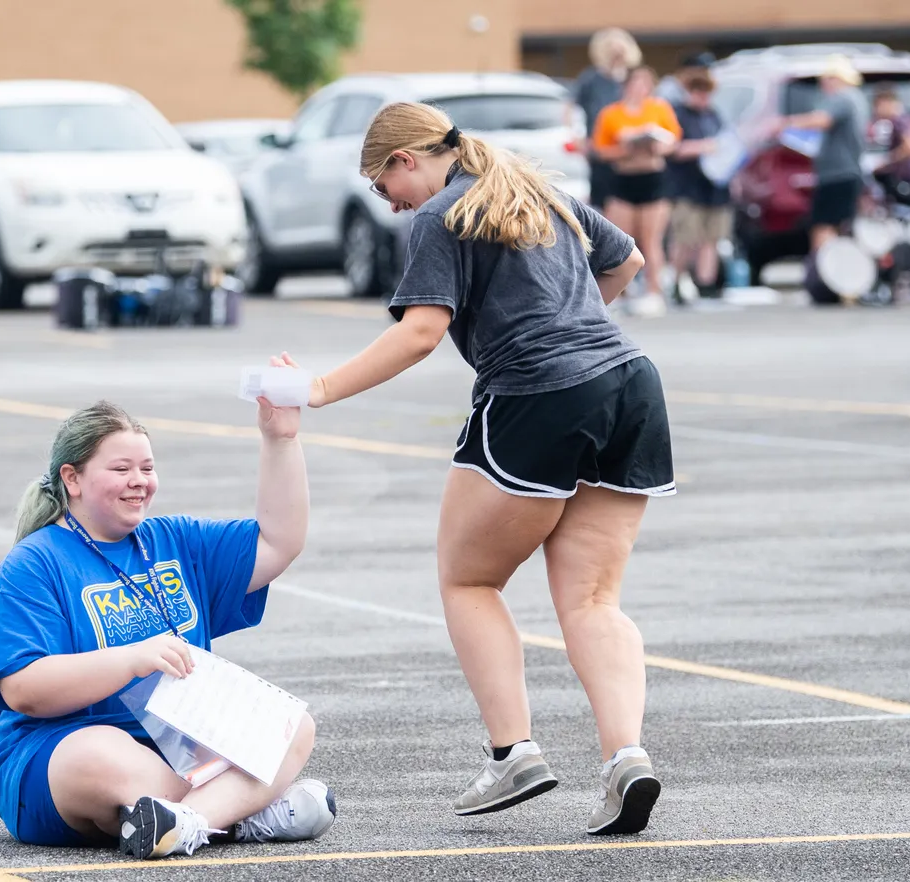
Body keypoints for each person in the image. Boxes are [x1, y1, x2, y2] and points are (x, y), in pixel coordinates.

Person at [310, 101, 674, 836]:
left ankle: (514, 751)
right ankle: (626, 758)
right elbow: (627, 260)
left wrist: (316, 389)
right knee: (593, 599)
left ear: (405, 160)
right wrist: (570, 326)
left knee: (468, 579)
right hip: (631, 383)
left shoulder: (439, 216)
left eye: (385, 188)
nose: (390, 204)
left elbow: (420, 333)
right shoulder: (535, 190)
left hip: (539, 394)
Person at [0, 383, 335, 862]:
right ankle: (239, 815)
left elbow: (279, 542)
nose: (139, 480)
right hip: (57, 757)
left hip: (185, 751)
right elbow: (23, 689)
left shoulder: (175, 540)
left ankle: (186, 821)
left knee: (294, 725)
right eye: (121, 469)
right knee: (100, 750)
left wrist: (282, 440)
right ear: (73, 478)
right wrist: (129, 660)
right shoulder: (33, 564)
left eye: (147, 468)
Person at [592, 66, 683, 315]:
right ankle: (620, 293)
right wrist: (627, 148)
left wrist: (656, 147)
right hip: (624, 178)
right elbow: (601, 149)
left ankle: (654, 292)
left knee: (651, 239)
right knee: (620, 240)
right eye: (635, 83)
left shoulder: (659, 109)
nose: (639, 89)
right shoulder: (611, 114)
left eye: (644, 83)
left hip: (653, 178)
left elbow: (673, 140)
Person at [771, 55, 868, 255]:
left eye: (826, 78)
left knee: (823, 225)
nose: (823, 84)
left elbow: (822, 120)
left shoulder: (842, 97)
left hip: (836, 174)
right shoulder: (858, 99)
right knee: (842, 225)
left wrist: (785, 123)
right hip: (849, 172)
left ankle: (824, 271)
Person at [667, 71, 732, 300]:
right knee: (685, 238)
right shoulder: (679, 114)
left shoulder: (714, 115)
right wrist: (702, 147)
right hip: (688, 187)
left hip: (715, 188)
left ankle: (706, 283)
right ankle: (677, 280)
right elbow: (673, 148)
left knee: (711, 238)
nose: (703, 98)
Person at [568, 28, 642, 211]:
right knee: (602, 200)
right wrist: (580, 138)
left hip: (631, 150)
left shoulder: (631, 78)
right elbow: (574, 109)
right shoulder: (591, 79)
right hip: (601, 149)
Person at [867, 86, 910, 205]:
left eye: (878, 106)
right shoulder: (908, 118)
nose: (876, 111)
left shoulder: (899, 121)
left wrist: (887, 161)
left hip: (904, 181)